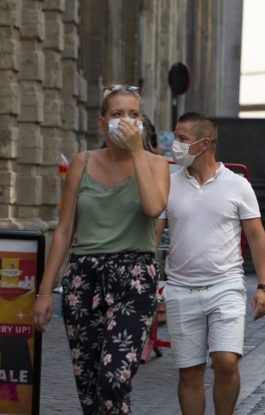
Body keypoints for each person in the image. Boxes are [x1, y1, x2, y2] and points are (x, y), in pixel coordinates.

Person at [32, 84, 170, 415]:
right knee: (90, 385)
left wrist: (137, 152)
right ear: (101, 122)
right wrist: (44, 292)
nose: (126, 121)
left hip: (134, 278)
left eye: (134, 115)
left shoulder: (156, 164)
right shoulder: (81, 163)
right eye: (118, 114)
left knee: (114, 378)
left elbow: (154, 209)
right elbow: (64, 230)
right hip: (83, 277)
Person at [156, 112, 265, 415]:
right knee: (190, 372)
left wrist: (264, 286)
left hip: (226, 286)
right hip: (180, 289)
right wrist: (149, 283)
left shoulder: (238, 185)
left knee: (226, 360)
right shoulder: (168, 184)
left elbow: (257, 237)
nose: (175, 145)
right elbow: (152, 237)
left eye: (182, 139)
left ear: (204, 143)